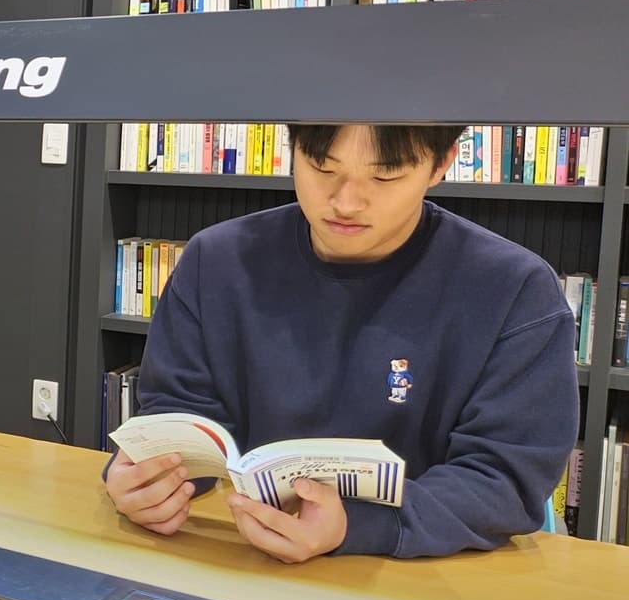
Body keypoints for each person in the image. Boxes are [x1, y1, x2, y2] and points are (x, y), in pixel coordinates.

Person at [104, 123, 577, 561]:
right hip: (242, 556)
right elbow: (180, 414)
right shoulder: (217, 260)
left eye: (386, 176)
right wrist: (150, 481)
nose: (346, 202)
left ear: (442, 163)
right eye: (322, 168)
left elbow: (505, 480)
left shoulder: (511, 288)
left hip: (427, 577)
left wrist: (359, 525)